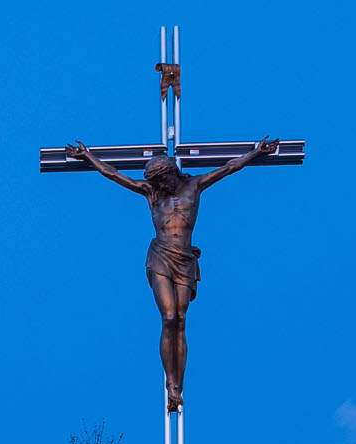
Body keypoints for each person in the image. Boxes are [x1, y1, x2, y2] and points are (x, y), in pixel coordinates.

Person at [66, 137, 279, 410]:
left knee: (180, 318)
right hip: (160, 257)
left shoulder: (194, 186)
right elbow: (113, 174)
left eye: (161, 180)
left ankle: (180, 382)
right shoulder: (150, 193)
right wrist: (88, 156)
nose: (159, 186)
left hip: (185, 258)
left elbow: (229, 167)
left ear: (171, 173)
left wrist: (256, 153)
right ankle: (170, 383)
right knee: (168, 317)